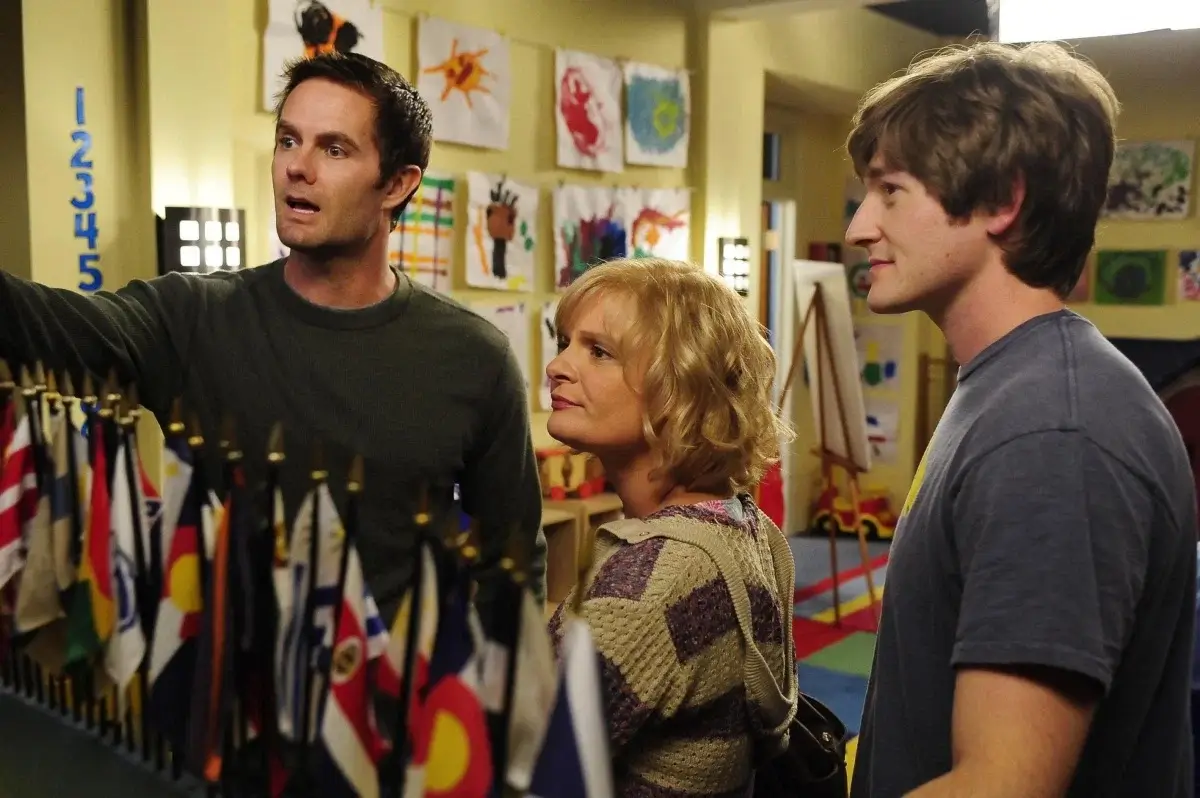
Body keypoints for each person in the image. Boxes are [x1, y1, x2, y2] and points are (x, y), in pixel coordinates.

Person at [0, 51, 546, 629]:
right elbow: (40, 325)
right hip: (219, 679)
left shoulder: (474, 357)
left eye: (334, 149)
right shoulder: (193, 316)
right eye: (288, 140)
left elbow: (513, 572)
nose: (297, 167)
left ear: (396, 183)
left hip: (394, 681)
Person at [844, 40, 1198, 798]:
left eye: (891, 191)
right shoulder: (1013, 389)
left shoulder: (1053, 434)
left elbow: (1001, 786)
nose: (859, 227)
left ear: (1003, 200)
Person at [544, 259, 798, 797]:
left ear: (679, 389)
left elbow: (512, 764)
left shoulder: (646, 589)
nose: (557, 366)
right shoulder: (742, 525)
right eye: (565, 342)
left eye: (599, 352)